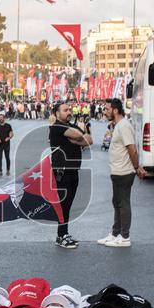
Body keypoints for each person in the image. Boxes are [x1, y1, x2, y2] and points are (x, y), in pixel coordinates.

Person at [98, 98, 145, 248]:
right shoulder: (118, 125)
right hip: (118, 171)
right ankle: (115, 233)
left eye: (107, 109)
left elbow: (132, 148)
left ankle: (125, 237)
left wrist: (137, 167)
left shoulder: (124, 126)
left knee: (123, 203)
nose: (105, 111)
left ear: (115, 110)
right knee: (117, 202)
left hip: (124, 172)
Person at [49, 101, 92, 249]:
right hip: (62, 172)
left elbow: (89, 140)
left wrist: (75, 139)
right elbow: (80, 135)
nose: (69, 112)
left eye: (69, 110)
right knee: (63, 205)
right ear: (57, 113)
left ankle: (64, 233)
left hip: (73, 171)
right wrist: (79, 138)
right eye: (65, 110)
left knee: (68, 206)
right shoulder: (56, 128)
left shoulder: (70, 126)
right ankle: (61, 236)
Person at [0, 112, 14, 176]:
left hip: (6, 144)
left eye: (1, 118)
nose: (0, 119)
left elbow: (11, 133)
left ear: (4, 118)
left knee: (7, 157)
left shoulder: (8, 125)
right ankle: (0, 171)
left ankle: (8, 170)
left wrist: (9, 137)